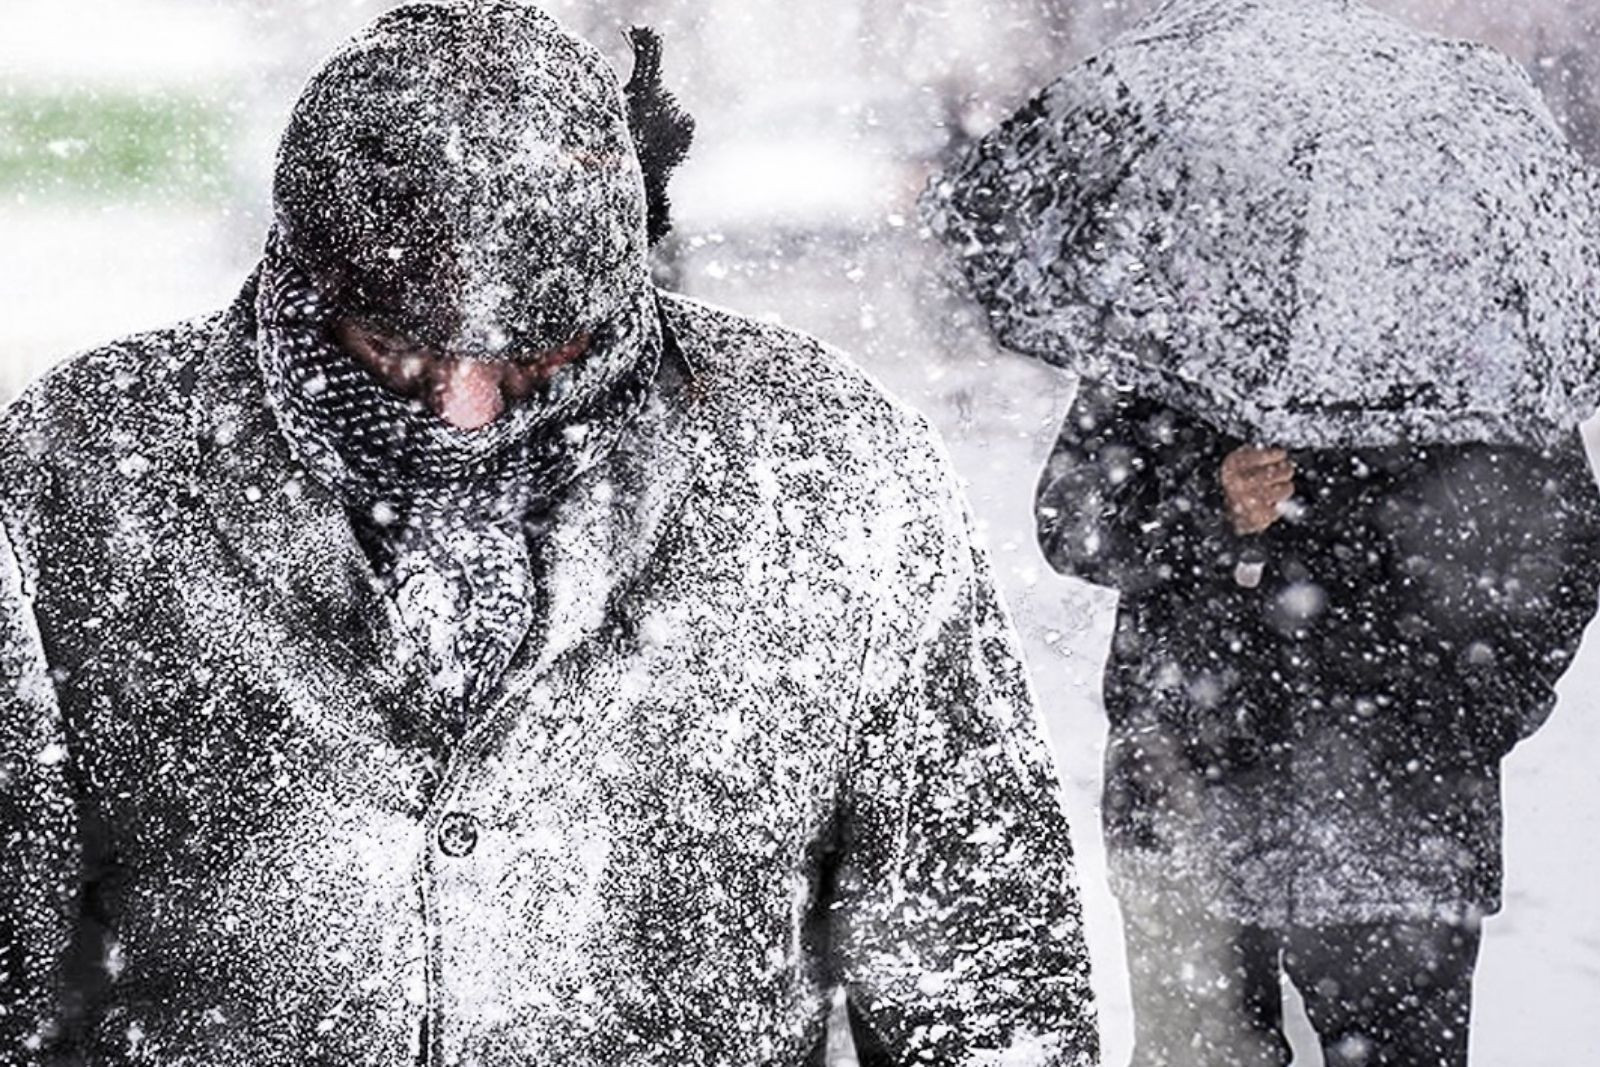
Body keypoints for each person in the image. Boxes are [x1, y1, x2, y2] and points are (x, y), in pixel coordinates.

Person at [0, 4, 1098, 1064]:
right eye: (401, 350)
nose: (466, 410)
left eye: (536, 354)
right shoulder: (83, 465)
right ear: (300, 283)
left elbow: (980, 959)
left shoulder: (830, 468)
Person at [1035, 380, 1600, 1066]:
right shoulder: (1177, 321)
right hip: (1192, 799)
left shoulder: (1469, 345)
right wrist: (1208, 503)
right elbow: (1072, 520)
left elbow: (1566, 552)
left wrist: (1470, 716)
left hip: (1401, 824)